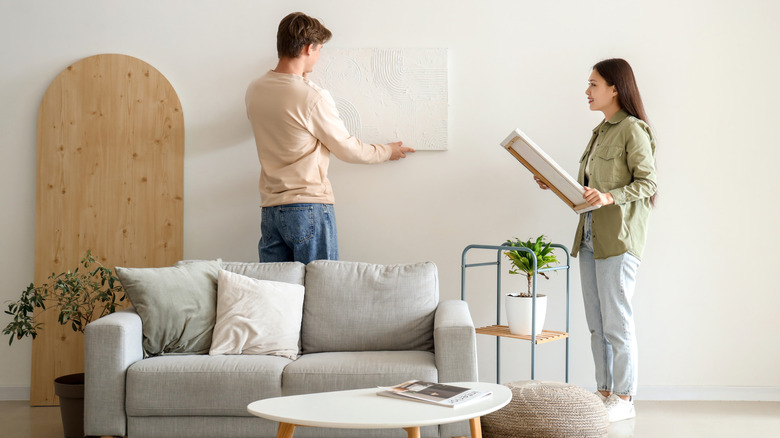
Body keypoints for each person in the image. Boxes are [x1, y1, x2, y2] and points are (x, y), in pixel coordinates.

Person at [535, 58, 657, 422]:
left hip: (618, 240)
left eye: (593, 84)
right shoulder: (600, 132)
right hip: (589, 239)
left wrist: (609, 197)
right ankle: (604, 392)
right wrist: (555, 184)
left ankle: (624, 396)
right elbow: (585, 192)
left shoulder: (633, 129)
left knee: (616, 321)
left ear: (614, 88)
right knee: (596, 323)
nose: (587, 91)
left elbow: (648, 183)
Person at [246, 12, 414, 264]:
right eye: (319, 49)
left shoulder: (255, 89)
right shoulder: (311, 97)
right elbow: (347, 149)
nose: (320, 56)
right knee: (321, 292)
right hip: (307, 207)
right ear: (307, 48)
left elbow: (287, 125)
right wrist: (386, 151)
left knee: (277, 296)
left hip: (270, 209)